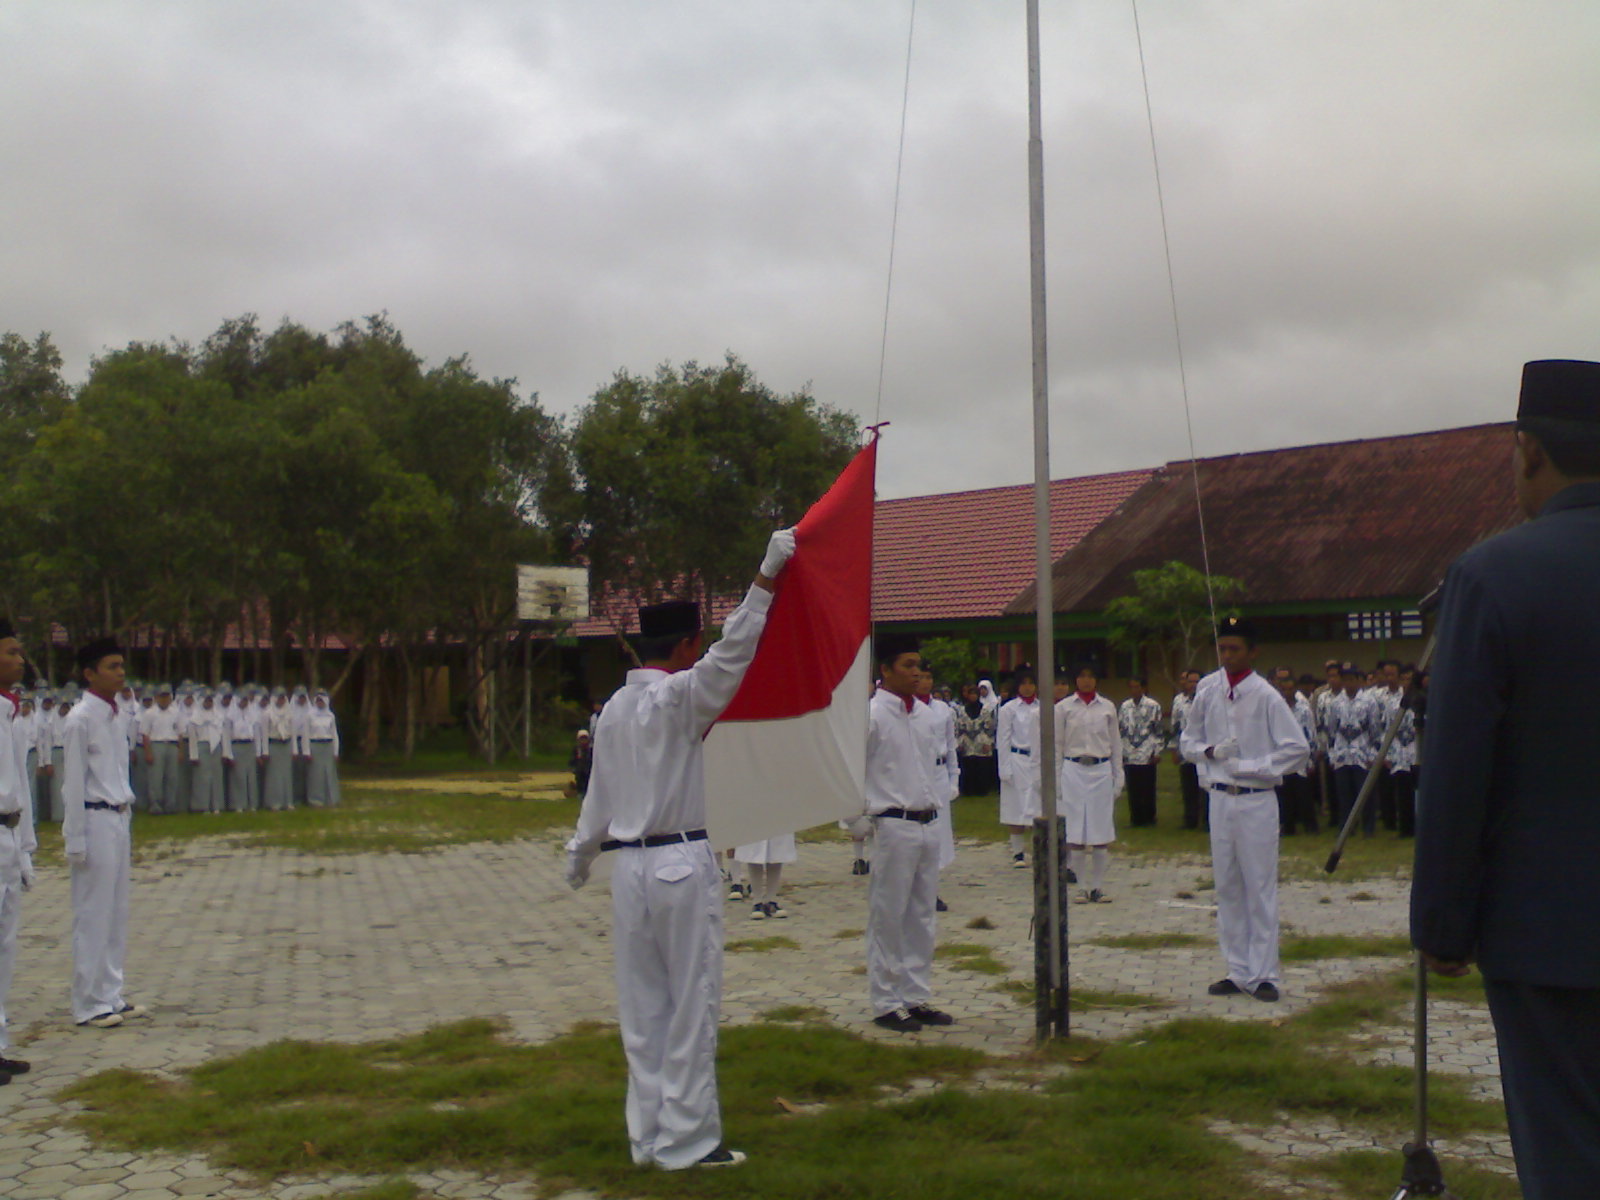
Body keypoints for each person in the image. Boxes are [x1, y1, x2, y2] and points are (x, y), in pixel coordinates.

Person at [1412, 359, 1600, 1198]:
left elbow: (1456, 772)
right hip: (1551, 932)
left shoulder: (1493, 575)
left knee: (1566, 1155)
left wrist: (1443, 926)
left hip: (1550, 934)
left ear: (1528, 451)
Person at [564, 527, 795, 1171]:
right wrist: (767, 576)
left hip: (628, 868)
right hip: (679, 860)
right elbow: (737, 649)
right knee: (691, 1004)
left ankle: (648, 1136)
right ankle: (689, 1142)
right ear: (688, 645)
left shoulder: (610, 709)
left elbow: (597, 801)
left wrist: (580, 857)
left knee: (642, 1011)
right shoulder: (680, 696)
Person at [1181, 617, 1308, 1003]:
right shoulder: (1208, 688)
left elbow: (1296, 749)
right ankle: (1237, 970)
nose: (1228, 655)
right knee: (1228, 886)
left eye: (1235, 649)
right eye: (1222, 648)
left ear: (1253, 652)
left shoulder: (1266, 695)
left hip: (1256, 799)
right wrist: (1209, 753)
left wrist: (1252, 766)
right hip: (1219, 797)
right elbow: (1187, 739)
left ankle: (1265, 973)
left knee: (1259, 885)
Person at [862, 632, 954, 1034]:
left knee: (921, 914)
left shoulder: (927, 715)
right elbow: (854, 771)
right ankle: (885, 999)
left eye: (919, 665)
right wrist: (861, 821)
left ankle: (916, 995)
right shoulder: (871, 716)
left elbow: (935, 764)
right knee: (889, 914)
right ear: (885, 670)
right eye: (908, 666)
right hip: (893, 822)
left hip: (928, 820)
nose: (917, 673)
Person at [62, 636, 148, 1029]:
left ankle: (111, 992)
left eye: (121, 665)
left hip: (118, 815)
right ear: (89, 673)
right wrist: (75, 838)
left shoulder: (118, 714)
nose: (120, 673)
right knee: (93, 913)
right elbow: (74, 783)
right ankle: (87, 1002)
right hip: (93, 817)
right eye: (111, 666)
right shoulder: (80, 718)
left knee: (116, 911)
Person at [0, 621, 38, 1078]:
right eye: (10, 652)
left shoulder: (10, 711)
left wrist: (24, 847)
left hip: (7, 834)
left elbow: (19, 786)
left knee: (5, 946)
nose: (20, 659)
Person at [1057, 663, 1122, 903]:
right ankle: (1081, 887)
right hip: (1073, 768)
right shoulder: (1064, 708)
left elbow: (1115, 744)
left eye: (1090, 676)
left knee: (1100, 829)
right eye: (1082, 676)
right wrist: (1057, 779)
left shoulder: (1107, 707)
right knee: (1075, 829)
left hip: (1101, 769)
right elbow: (1057, 745)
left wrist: (1118, 776)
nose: (1086, 681)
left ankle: (1097, 886)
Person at [912, 665, 959, 912]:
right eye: (921, 677)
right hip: (916, 772)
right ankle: (916, 889)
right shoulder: (907, 709)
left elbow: (951, 746)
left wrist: (954, 779)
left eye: (930, 677)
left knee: (938, 831)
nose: (925, 682)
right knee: (918, 829)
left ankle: (933, 890)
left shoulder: (943, 710)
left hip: (939, 772)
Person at [996, 668, 1042, 868]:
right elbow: (1003, 739)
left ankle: (1039, 850)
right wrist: (1004, 767)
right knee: (1015, 806)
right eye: (1023, 683)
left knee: (1038, 807)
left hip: (1037, 760)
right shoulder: (1009, 709)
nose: (1028, 687)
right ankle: (1018, 853)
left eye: (1031, 683)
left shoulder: (1043, 707)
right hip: (1016, 758)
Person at [1327, 663, 1379, 835]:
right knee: (1344, 793)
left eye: (1352, 679)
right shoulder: (1335, 703)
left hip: (1362, 753)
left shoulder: (1369, 701)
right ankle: (1347, 827)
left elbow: (1375, 729)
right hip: (1342, 754)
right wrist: (1333, 753)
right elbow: (1332, 730)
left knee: (1364, 793)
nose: (1349, 683)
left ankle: (1368, 826)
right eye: (1345, 680)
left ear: (1359, 681)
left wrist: (1373, 753)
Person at [1274, 672, 1319, 835]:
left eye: (1291, 688)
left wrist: (1312, 758)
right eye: (1284, 689)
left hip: (1301, 756)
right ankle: (1288, 826)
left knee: (1304, 794)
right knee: (1285, 795)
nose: (1288, 692)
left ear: (1295, 689)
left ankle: (1310, 826)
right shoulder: (1277, 710)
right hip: (1283, 756)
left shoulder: (1304, 709)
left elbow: (1311, 733)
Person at [1117, 676, 1163, 827]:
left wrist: (1157, 751)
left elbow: (1158, 730)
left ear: (1143, 689)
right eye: (1131, 687)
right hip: (1130, 751)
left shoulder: (1153, 706)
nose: (1134, 690)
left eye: (1137, 687)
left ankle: (1150, 817)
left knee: (1148, 786)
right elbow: (1121, 730)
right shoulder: (1125, 706)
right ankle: (1136, 818)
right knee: (1133, 787)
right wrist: (1121, 751)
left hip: (1147, 751)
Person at [1168, 669, 1204, 830]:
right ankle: (1190, 820)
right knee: (1188, 787)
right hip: (1186, 751)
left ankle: (1207, 821)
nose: (1193, 685)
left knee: (1205, 787)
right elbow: (1175, 726)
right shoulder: (1180, 702)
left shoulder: (1208, 701)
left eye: (1197, 681)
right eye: (1190, 681)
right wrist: (1174, 748)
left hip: (1204, 751)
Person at [953, 683, 997, 797]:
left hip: (981, 740)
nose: (973, 696)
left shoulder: (985, 710)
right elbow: (959, 728)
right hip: (966, 741)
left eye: (975, 694)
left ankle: (982, 790)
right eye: (971, 694)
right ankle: (968, 790)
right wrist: (959, 743)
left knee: (981, 766)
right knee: (968, 766)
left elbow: (990, 728)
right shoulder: (962, 710)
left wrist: (988, 743)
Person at [187, 689, 226, 813]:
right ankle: (202, 806)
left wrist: (225, 752)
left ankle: (216, 806)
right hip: (202, 746)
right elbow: (192, 738)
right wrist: (194, 755)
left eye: (210, 701)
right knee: (202, 778)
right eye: (206, 701)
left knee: (216, 777)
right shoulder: (195, 717)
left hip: (216, 747)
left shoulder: (218, 716)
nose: (209, 703)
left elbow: (223, 735)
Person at [303, 690, 341, 807]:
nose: (320, 703)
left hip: (328, 745)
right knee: (316, 774)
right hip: (315, 745)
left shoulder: (330, 716)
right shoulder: (310, 715)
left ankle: (331, 799)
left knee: (329, 773)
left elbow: (334, 734)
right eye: (318, 701)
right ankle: (315, 800)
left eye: (322, 701)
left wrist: (335, 751)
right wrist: (307, 751)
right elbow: (306, 734)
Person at [261, 687, 296, 811]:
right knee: (274, 775)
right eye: (279, 698)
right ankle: (274, 802)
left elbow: (293, 732)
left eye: (283, 698)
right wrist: (265, 751)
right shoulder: (267, 713)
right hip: (274, 744)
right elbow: (264, 734)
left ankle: (287, 801)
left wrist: (294, 750)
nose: (281, 701)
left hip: (286, 744)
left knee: (286, 774)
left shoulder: (289, 712)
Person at [570, 729, 593, 798]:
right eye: (581, 739)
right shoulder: (576, 750)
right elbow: (571, 762)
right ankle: (580, 791)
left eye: (585, 739)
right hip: (579, 771)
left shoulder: (591, 750)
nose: (583, 741)